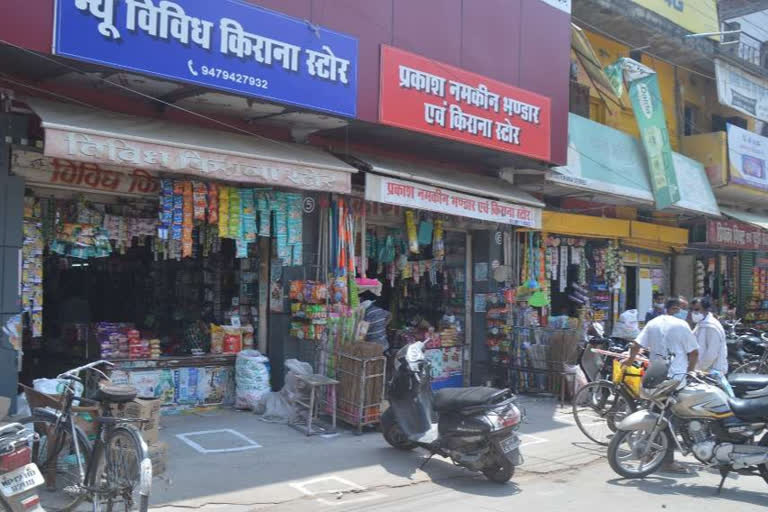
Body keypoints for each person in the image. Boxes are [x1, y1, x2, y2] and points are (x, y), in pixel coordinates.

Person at [624, 296, 699, 474]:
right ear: (675, 309)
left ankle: (652, 453)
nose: (684, 312)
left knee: (657, 414)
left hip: (656, 377)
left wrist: (630, 359)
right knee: (672, 420)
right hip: (676, 379)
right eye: (682, 309)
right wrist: (690, 371)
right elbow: (694, 353)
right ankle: (667, 461)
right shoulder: (682, 326)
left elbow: (636, 344)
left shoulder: (653, 323)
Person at [691, 297, 727, 374]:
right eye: (692, 310)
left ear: (706, 310)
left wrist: (699, 368)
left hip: (711, 371)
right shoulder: (701, 324)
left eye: (697, 310)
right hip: (703, 370)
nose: (694, 313)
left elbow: (712, 354)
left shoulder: (711, 327)